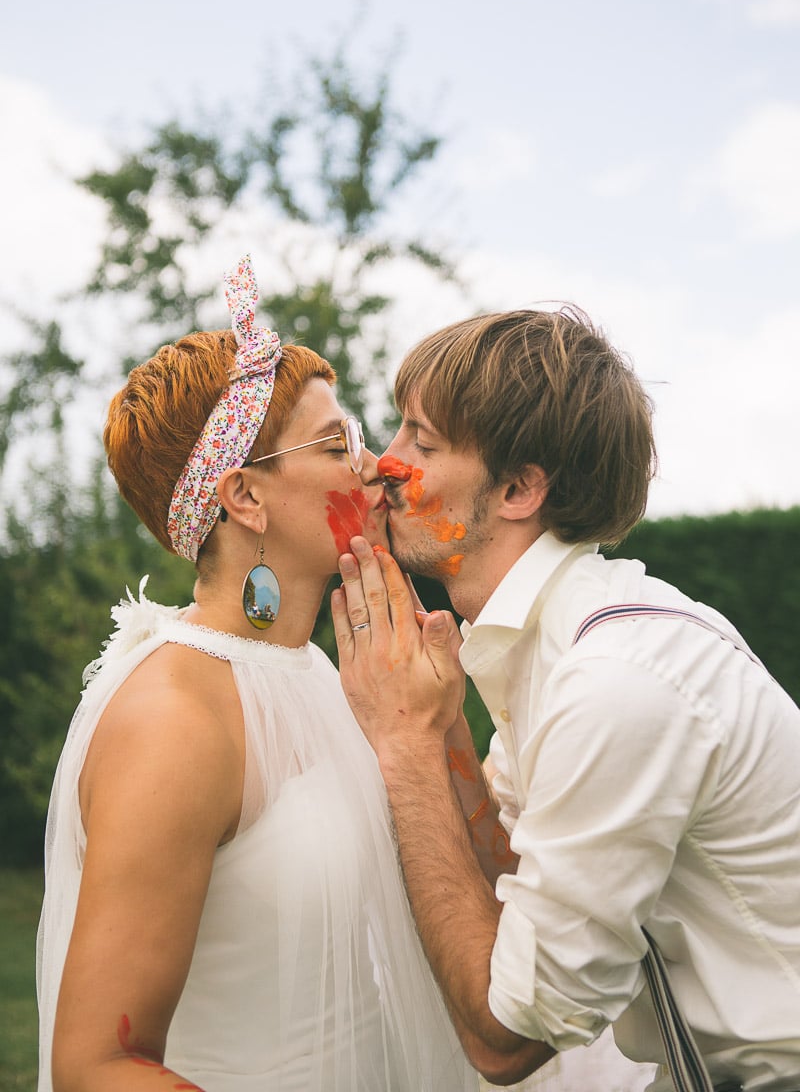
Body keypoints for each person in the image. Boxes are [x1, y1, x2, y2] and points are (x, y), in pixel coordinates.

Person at [331, 307, 800, 1092]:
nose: (383, 464)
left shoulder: (615, 681)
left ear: (518, 488)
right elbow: (518, 901)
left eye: (422, 440)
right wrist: (440, 726)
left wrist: (404, 740)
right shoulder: (553, 649)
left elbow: (509, 1037)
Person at [36, 256, 475, 1092]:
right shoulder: (175, 718)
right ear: (244, 499)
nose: (378, 463)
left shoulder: (324, 668)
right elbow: (97, 1064)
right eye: (339, 440)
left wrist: (441, 722)